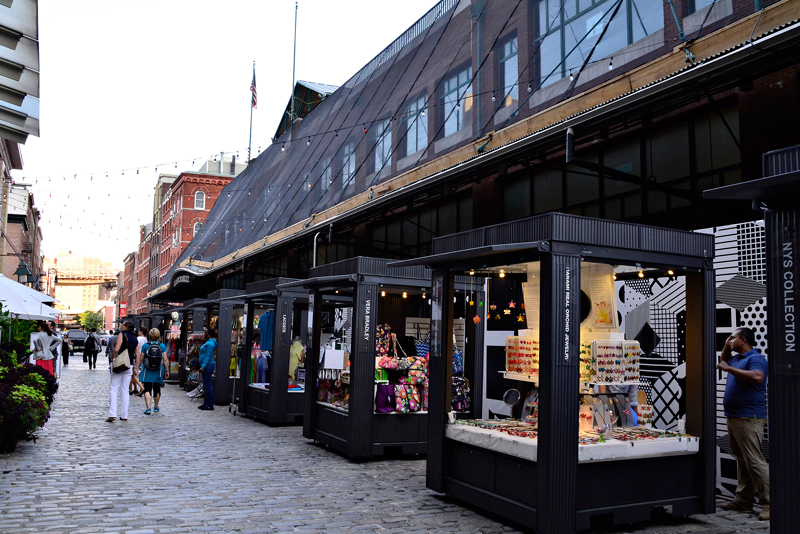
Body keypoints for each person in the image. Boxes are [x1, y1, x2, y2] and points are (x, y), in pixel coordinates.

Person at [717, 327, 769, 521]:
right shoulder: (737, 359)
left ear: (744, 340)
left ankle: (770, 503)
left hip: (749, 417)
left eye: (734, 338)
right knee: (743, 459)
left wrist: (729, 368)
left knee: (755, 460)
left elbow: (758, 377)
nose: (731, 342)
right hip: (735, 416)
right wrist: (725, 346)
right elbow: (723, 362)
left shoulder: (756, 359)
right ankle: (744, 501)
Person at [106, 321, 140, 423]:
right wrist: (136, 368)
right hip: (129, 365)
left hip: (119, 363)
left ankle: (112, 414)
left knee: (114, 388)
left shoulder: (122, 335)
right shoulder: (135, 339)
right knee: (125, 390)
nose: (121, 326)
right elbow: (137, 354)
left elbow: (116, 349)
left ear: (126, 327)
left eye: (123, 325)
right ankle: (124, 415)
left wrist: (113, 359)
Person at [136, 328, 169, 415]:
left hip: (147, 369)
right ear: (158, 336)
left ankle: (148, 408)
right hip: (159, 370)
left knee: (147, 388)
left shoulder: (145, 346)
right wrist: (167, 370)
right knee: (157, 388)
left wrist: (137, 367)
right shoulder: (162, 346)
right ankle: (156, 406)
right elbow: (165, 359)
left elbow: (141, 359)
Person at [197, 328, 218, 410]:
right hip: (207, 365)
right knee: (206, 385)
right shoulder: (209, 343)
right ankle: (206, 402)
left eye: (206, 333)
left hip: (208, 366)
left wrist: (203, 366)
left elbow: (208, 356)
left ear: (209, 334)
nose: (204, 334)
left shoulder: (210, 344)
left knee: (208, 385)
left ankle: (209, 403)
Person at [129, 327, 148, 396]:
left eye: (139, 331)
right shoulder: (146, 339)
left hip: (138, 357)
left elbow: (137, 346)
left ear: (141, 332)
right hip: (144, 357)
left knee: (134, 374)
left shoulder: (138, 338)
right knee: (138, 373)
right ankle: (136, 389)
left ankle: (141, 387)